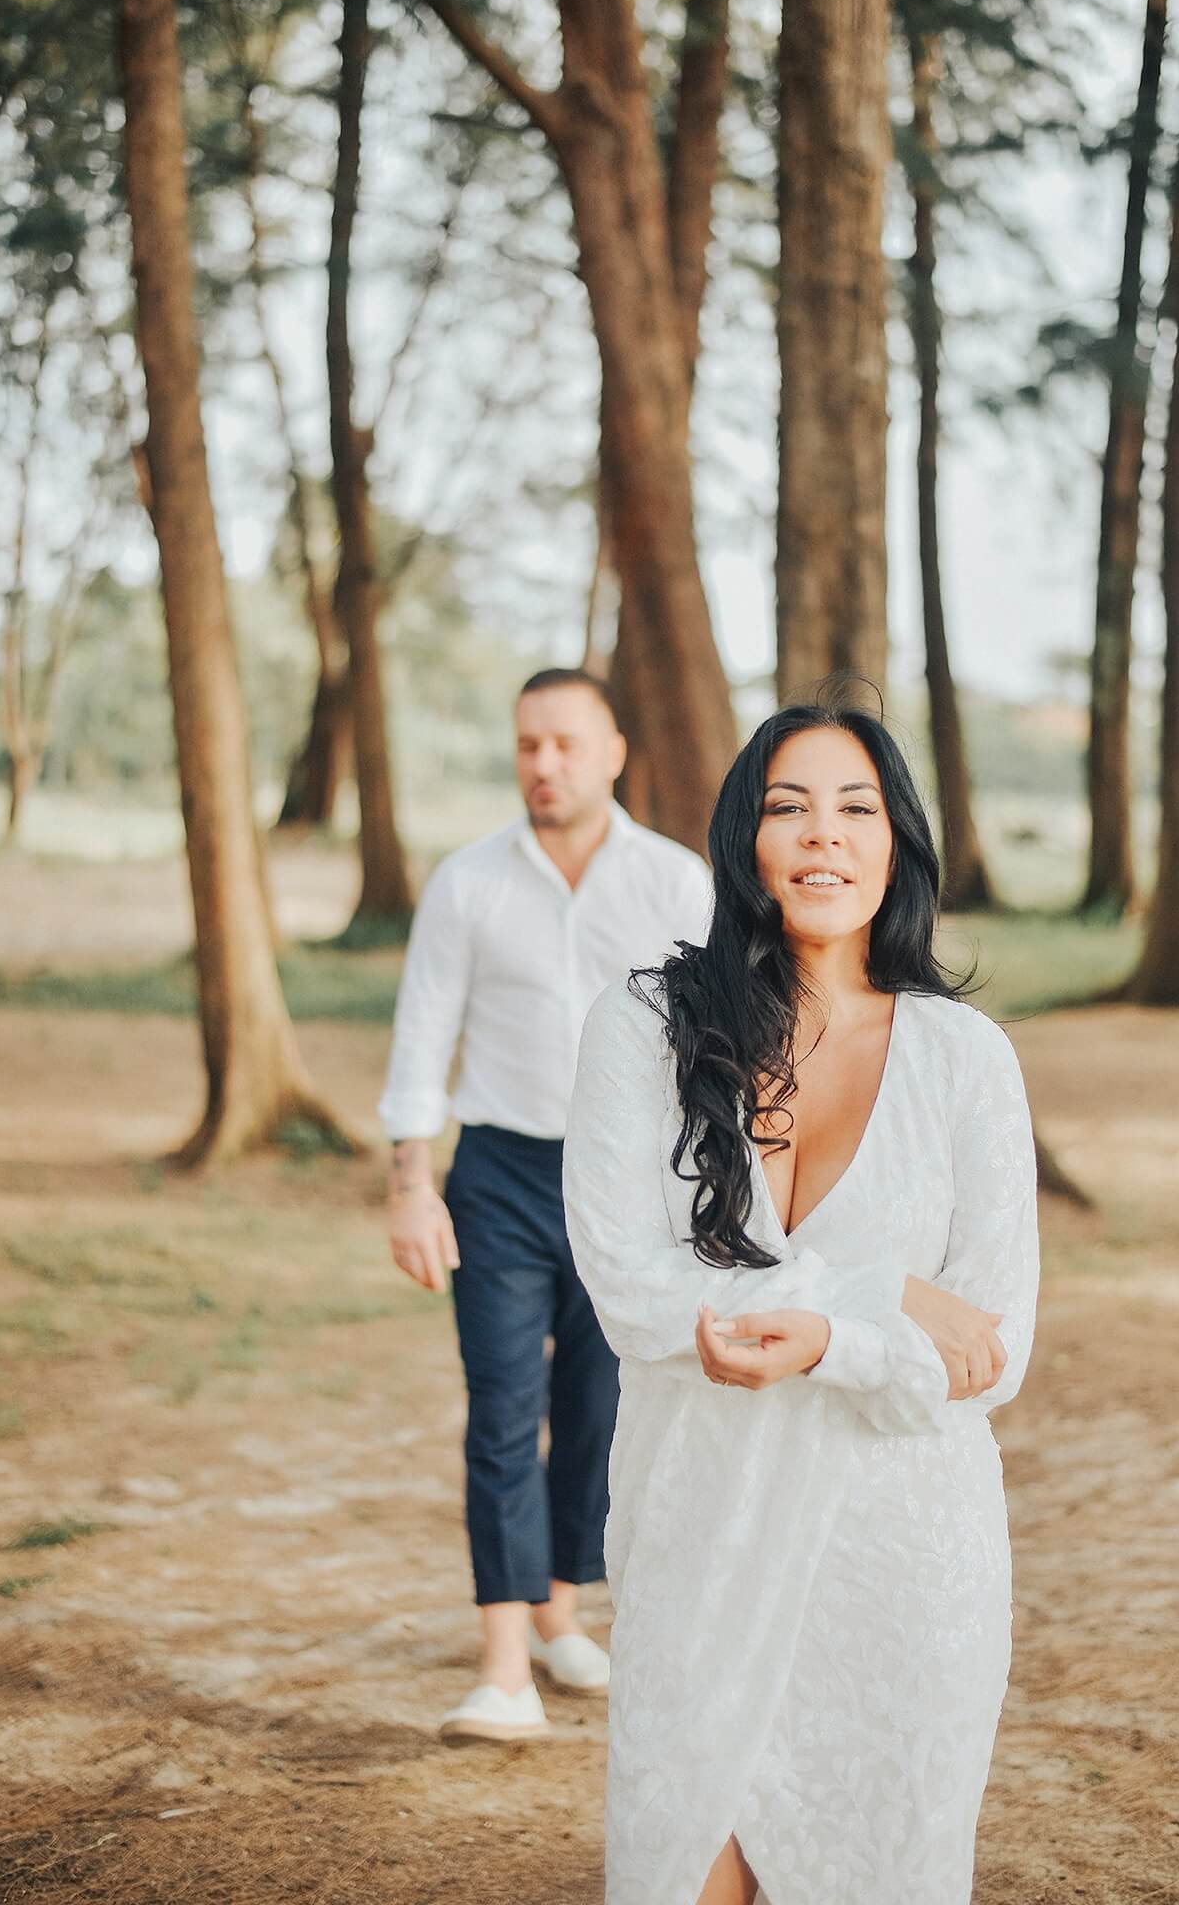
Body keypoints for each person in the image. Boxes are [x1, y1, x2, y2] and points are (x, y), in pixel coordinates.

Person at [562, 700, 1041, 1905]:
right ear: (742, 841)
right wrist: (880, 1290)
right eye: (786, 807)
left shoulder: (963, 1056)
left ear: (897, 844)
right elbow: (628, 1286)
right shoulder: (643, 1029)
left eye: (854, 808)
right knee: (682, 1867)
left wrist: (831, 1342)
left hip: (902, 1554)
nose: (820, 836)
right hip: (701, 1531)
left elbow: (994, 1346)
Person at [380, 667, 713, 1745]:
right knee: (499, 1411)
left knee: (598, 1413)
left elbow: (710, 1048)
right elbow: (423, 1031)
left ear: (614, 751)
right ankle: (501, 1665)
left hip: (626, 1182)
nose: (542, 763)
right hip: (499, 1180)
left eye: (565, 743)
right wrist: (410, 1183)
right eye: (527, 743)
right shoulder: (467, 881)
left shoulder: (673, 883)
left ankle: (561, 1607)